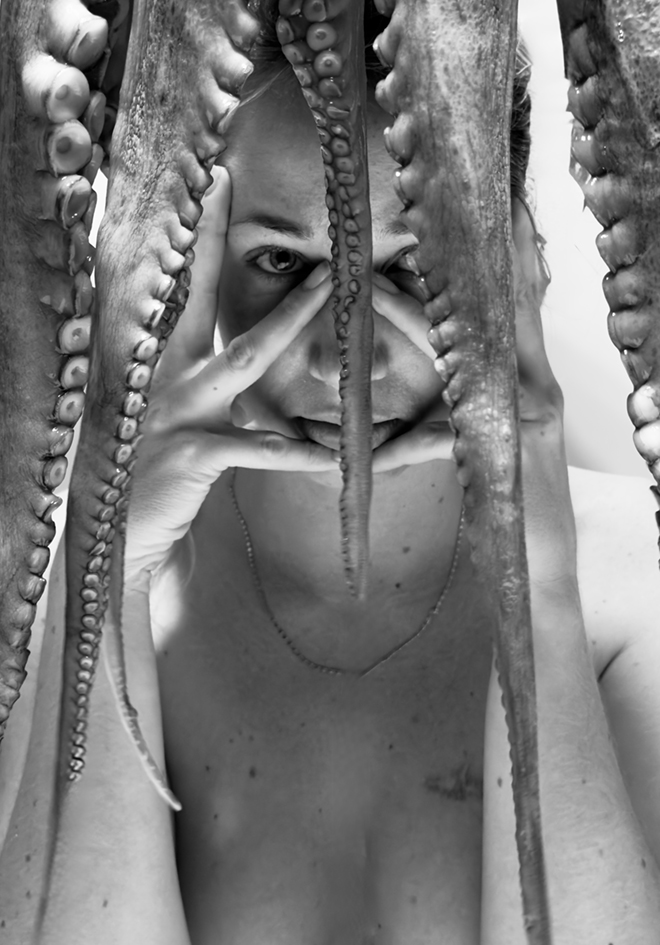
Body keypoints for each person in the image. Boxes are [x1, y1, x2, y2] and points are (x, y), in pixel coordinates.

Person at [3, 9, 660, 945]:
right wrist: (106, 576)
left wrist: (541, 585)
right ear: (179, 272)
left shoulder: (637, 594)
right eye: (280, 262)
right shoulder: (68, 609)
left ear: (517, 260)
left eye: (411, 265)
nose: (345, 363)